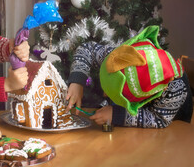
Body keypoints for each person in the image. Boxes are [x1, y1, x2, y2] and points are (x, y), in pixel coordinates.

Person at [65, 25, 193, 128]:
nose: (105, 94)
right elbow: (86, 49)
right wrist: (77, 82)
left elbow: (160, 119)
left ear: (133, 101)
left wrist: (117, 115)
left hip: (173, 129)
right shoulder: (121, 57)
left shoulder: (175, 88)